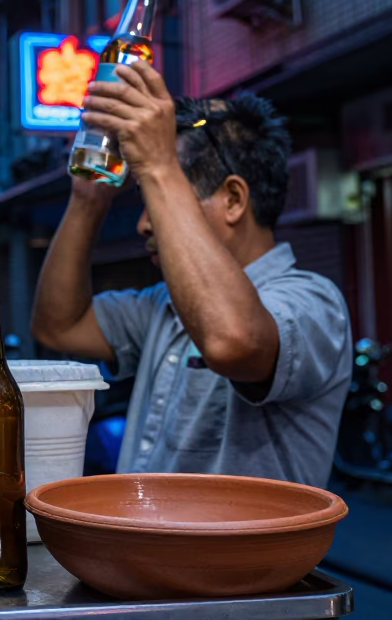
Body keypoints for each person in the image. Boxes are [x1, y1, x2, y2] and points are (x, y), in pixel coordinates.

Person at [31, 61, 352, 489]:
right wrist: (88, 201)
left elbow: (231, 340)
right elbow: (59, 327)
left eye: (165, 196)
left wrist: (160, 167)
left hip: (243, 560)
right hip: (142, 553)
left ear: (234, 200)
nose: (146, 224)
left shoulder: (314, 301)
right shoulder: (163, 305)